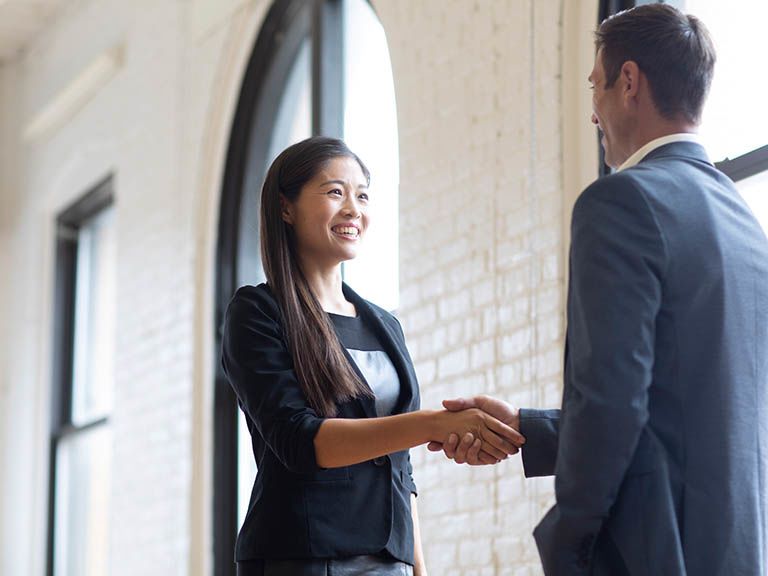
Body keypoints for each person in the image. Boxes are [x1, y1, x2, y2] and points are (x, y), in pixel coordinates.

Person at [431, 4, 768, 575]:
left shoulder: (621, 201)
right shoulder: (746, 223)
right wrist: (526, 428)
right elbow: (679, 412)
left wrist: (569, 541)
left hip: (651, 554)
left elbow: (613, 401)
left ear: (628, 82)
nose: (593, 111)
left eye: (595, 85)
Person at [221, 136, 524, 576]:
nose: (353, 209)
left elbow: (400, 469)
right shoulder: (258, 312)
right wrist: (433, 424)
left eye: (362, 195)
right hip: (302, 560)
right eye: (334, 192)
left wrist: (418, 567)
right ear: (285, 208)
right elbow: (299, 441)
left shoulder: (385, 324)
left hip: (390, 561)